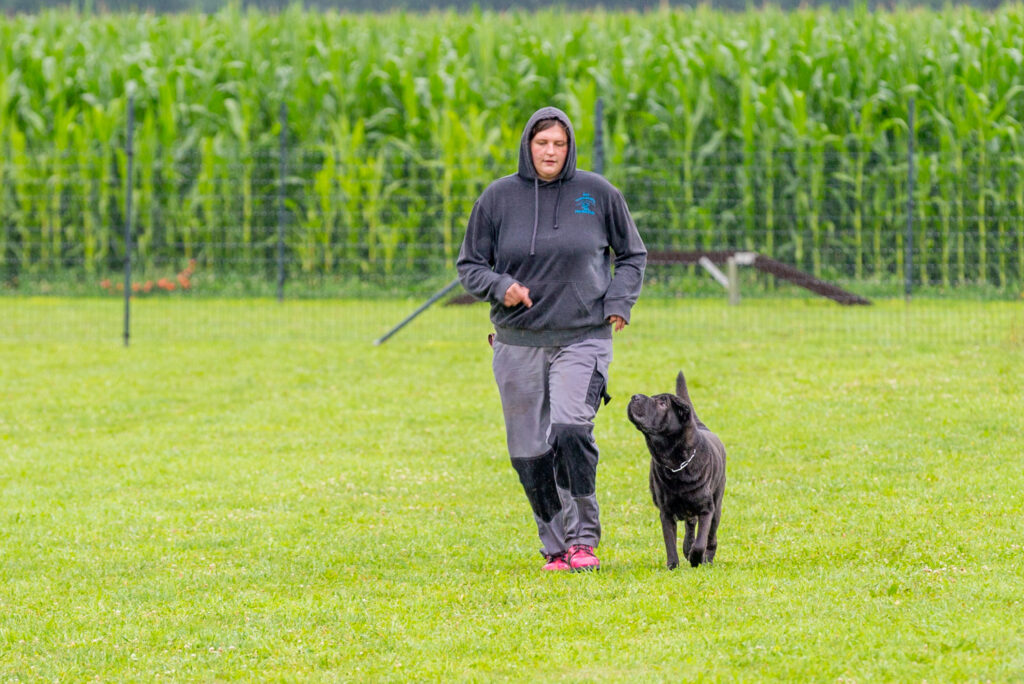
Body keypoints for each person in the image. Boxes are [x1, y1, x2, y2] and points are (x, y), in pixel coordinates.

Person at [457, 106, 647, 572]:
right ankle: (555, 545)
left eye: (559, 144)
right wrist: (503, 287)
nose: (550, 152)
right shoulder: (498, 199)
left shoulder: (598, 194)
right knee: (528, 451)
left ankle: (583, 539)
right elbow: (470, 266)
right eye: (542, 143)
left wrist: (619, 301)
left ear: (570, 147)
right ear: (528, 145)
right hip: (517, 341)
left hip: (582, 337)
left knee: (570, 428)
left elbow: (632, 254)